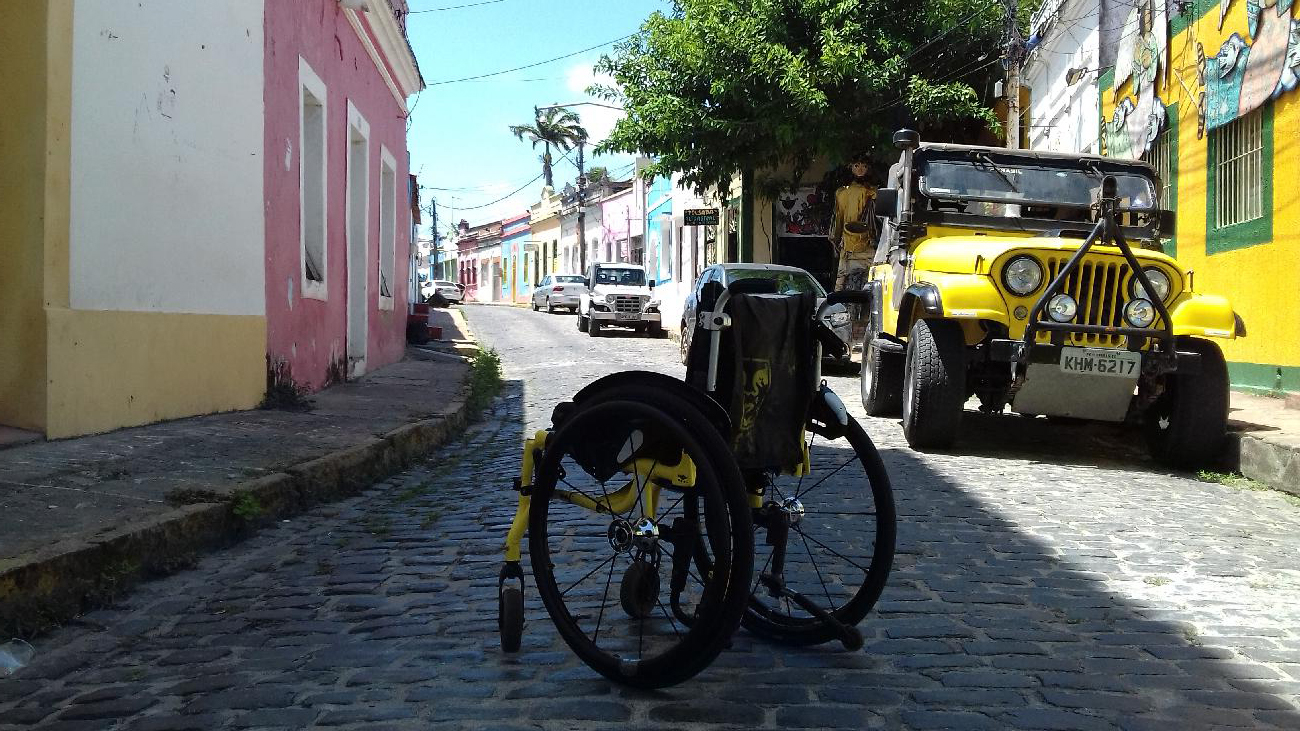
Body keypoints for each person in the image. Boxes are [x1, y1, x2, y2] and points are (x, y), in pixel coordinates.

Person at [830, 154, 879, 290]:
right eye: (857, 166)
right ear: (850, 168)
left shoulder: (871, 192)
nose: (860, 169)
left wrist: (835, 239)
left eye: (863, 166)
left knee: (841, 285)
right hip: (860, 246)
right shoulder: (873, 192)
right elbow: (838, 218)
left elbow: (837, 222)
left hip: (857, 245)